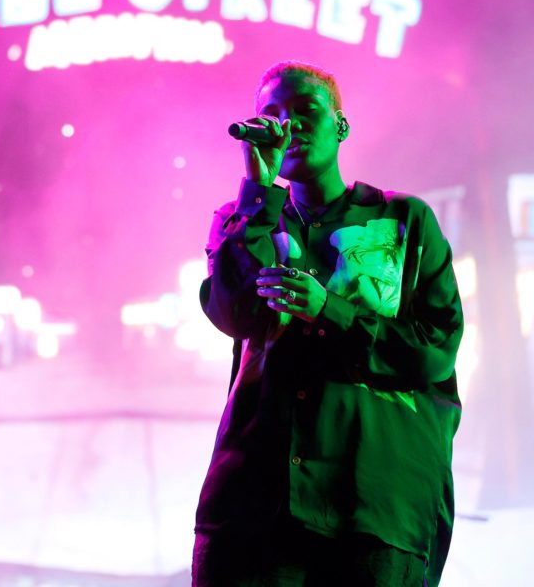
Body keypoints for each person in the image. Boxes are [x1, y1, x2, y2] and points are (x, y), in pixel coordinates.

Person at [193, 61, 463, 586]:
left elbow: (434, 353)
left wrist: (329, 310)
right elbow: (232, 314)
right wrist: (258, 188)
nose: (285, 124)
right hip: (257, 503)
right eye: (270, 114)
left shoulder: (404, 220)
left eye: (304, 111)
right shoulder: (242, 218)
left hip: (373, 503)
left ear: (340, 125)